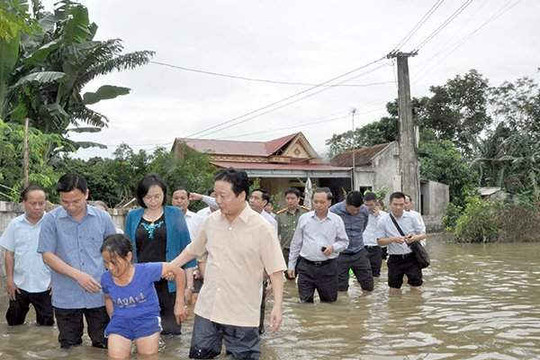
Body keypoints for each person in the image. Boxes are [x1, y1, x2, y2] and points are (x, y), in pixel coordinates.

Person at [172, 169, 285, 359]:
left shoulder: (262, 228)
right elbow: (193, 250)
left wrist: (278, 306)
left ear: (241, 195)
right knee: (200, 356)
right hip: (208, 308)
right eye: (215, 195)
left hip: (241, 312)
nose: (218, 200)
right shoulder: (211, 222)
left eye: (223, 196)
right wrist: (170, 266)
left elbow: (275, 270)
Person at [38, 174, 117, 349]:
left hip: (99, 294)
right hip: (66, 296)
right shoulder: (51, 220)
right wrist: (77, 275)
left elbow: (115, 252)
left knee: (105, 344)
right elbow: (47, 255)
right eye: (65, 202)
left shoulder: (103, 218)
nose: (71, 206)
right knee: (69, 347)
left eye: (76, 201)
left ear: (86, 194)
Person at [124, 174, 196, 336]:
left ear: (164, 194)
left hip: (169, 280)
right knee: (143, 331)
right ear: (141, 197)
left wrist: (188, 287)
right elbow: (127, 252)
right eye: (148, 197)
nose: (153, 201)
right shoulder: (132, 217)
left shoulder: (175, 214)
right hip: (142, 282)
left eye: (157, 196)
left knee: (171, 332)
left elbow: (188, 250)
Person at [100, 234, 188, 359]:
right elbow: (108, 297)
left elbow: (178, 271)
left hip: (146, 320)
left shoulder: (146, 271)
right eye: (106, 262)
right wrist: (113, 317)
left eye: (114, 262)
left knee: (147, 357)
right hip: (120, 322)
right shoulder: (105, 278)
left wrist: (179, 304)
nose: (110, 267)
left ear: (129, 256)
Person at [0, 185, 53, 327]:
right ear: (24, 203)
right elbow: (9, 254)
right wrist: (9, 280)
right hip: (19, 285)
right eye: (33, 203)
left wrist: (56, 280)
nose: (37, 207)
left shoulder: (52, 224)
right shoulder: (15, 224)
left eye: (41, 203)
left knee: (46, 327)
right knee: (13, 325)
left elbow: (61, 253)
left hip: (46, 285)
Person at [288, 188, 349, 303]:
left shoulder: (336, 220)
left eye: (322, 202)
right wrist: (291, 265)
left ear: (329, 202)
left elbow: (344, 242)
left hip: (328, 267)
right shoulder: (304, 219)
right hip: (306, 267)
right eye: (315, 202)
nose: (318, 205)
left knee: (329, 304)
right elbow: (296, 243)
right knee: (305, 304)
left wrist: (333, 248)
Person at [377, 192, 427, 295]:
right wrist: (393, 239)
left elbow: (423, 235)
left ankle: (415, 309)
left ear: (405, 204)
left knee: (416, 287)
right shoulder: (383, 220)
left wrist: (414, 238)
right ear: (390, 204)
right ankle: (396, 310)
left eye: (401, 204)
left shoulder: (412, 217)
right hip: (394, 258)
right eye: (395, 204)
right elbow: (379, 241)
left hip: (412, 257)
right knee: (394, 289)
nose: (398, 207)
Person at [329, 191, 373, 293]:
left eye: (358, 209)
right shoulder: (334, 211)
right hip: (341, 255)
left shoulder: (364, 210)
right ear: (346, 204)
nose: (356, 212)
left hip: (359, 252)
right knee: (340, 288)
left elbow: (363, 227)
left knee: (368, 286)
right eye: (353, 210)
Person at [275, 188, 308, 278]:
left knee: (305, 277)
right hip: (287, 251)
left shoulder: (306, 214)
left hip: (303, 251)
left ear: (298, 199)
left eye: (293, 198)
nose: (290, 201)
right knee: (290, 277)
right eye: (288, 198)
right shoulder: (280, 216)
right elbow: (275, 235)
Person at [362, 192, 387, 278]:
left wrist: (377, 217)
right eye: (366, 205)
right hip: (362, 248)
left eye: (371, 205)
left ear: (376, 203)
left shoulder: (383, 216)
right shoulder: (359, 214)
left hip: (376, 248)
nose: (368, 207)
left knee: (376, 274)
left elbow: (386, 229)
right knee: (362, 274)